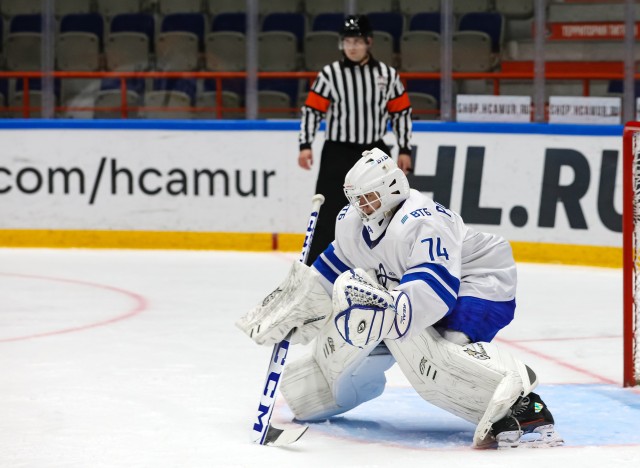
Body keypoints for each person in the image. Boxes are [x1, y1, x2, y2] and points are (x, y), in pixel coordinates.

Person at [237, 148, 563, 449]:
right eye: (355, 199)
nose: (360, 207)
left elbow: (433, 292)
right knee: (362, 326)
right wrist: (295, 307)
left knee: (440, 351)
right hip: (421, 288)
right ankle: (319, 389)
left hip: (480, 281)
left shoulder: (423, 221)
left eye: (367, 198)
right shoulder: (353, 222)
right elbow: (327, 277)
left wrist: (390, 316)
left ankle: (523, 405)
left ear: (392, 188)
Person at [298, 14, 414, 266]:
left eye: (357, 41)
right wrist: (305, 144)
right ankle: (316, 268)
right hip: (337, 151)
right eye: (347, 41)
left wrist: (405, 148)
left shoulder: (387, 75)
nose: (352, 46)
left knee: (385, 207)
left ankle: (387, 262)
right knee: (328, 211)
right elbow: (311, 110)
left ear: (369, 42)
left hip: (374, 152)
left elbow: (401, 112)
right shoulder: (330, 75)